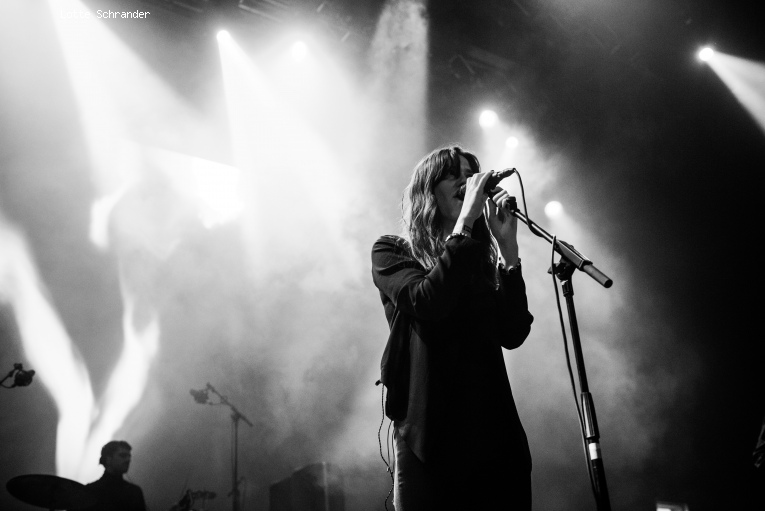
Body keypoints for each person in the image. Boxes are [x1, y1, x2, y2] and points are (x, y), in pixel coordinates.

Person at [371, 145, 534, 510]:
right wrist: (462, 228)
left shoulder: (477, 263)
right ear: (428, 190)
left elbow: (513, 332)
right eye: (453, 174)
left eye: (470, 174)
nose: (466, 181)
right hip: (431, 438)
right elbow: (429, 301)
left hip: (494, 437)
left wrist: (508, 252)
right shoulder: (393, 252)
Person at [84, 440, 147, 511]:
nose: (128, 459)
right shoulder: (90, 491)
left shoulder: (90, 490)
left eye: (129, 456)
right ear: (108, 459)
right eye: (122, 455)